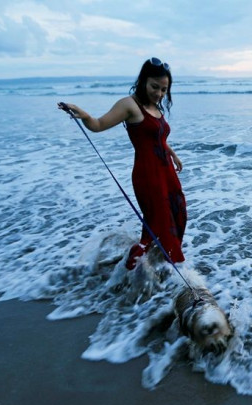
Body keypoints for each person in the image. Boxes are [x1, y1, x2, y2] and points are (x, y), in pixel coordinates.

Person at [58, 57, 186, 270]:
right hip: (149, 176)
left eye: (164, 90)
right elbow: (98, 125)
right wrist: (84, 115)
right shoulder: (129, 105)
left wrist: (172, 153)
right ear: (143, 80)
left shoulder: (154, 105)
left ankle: (153, 267)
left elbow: (157, 138)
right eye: (155, 87)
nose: (159, 94)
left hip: (166, 172)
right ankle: (151, 270)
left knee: (178, 213)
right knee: (159, 224)